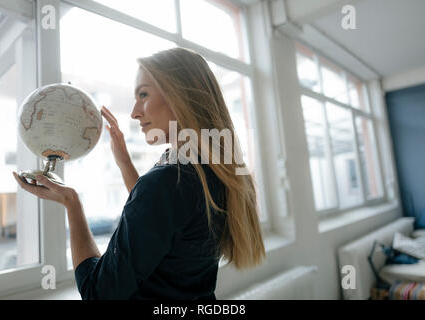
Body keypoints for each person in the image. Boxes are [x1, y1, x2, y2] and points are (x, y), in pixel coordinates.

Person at [13, 47, 266, 300]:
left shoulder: (166, 183)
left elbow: (97, 293)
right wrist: (124, 162)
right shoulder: (215, 171)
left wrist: (72, 204)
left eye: (143, 95)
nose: (134, 112)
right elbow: (163, 219)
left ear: (180, 95)